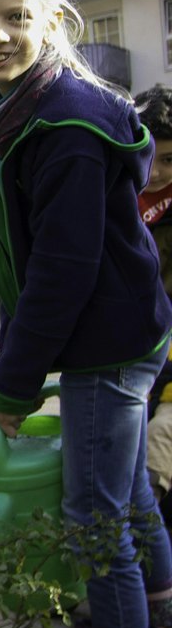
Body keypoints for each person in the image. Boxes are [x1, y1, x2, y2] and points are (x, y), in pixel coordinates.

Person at [0, 0, 172, 628]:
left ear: (54, 20)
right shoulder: (8, 114)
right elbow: (20, 261)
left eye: (16, 16)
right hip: (110, 334)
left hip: (109, 344)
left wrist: (11, 381)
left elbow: (63, 272)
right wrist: (15, 365)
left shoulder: (66, 127)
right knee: (131, 498)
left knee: (96, 516)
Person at [136, 85, 172, 526]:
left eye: (169, 160)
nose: (158, 173)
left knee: (158, 454)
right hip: (136, 353)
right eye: (150, 158)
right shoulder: (116, 198)